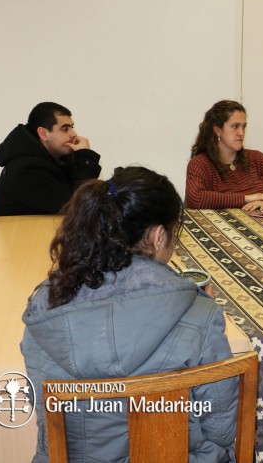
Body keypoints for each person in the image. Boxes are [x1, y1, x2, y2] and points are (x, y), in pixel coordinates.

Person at [21, 166, 237, 462]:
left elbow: (42, 410)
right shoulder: (199, 315)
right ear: (159, 236)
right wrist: (201, 308)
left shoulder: (44, 309)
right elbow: (222, 431)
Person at [0, 102, 101, 216]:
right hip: (17, 232)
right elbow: (78, 208)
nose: (73, 134)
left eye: (72, 127)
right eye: (65, 129)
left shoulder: (60, 158)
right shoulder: (25, 168)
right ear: (43, 133)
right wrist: (85, 157)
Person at [186, 100, 263, 211]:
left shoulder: (258, 159)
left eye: (244, 127)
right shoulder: (200, 163)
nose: (241, 133)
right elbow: (195, 199)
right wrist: (247, 199)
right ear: (217, 130)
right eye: (235, 126)